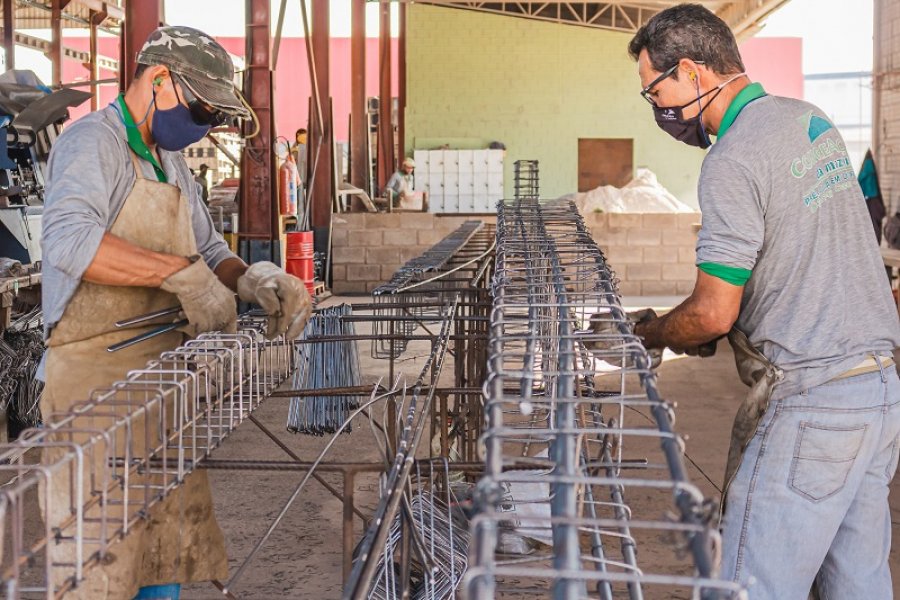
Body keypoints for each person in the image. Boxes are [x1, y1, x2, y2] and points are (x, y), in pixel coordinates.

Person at [627, 5, 900, 598]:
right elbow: (797, 260)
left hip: (814, 405)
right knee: (858, 583)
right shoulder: (810, 122)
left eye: (656, 89)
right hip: (878, 393)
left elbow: (713, 310)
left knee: (750, 585)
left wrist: (653, 333)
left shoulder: (732, 157)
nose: (658, 109)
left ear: (694, 73)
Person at [41, 25, 313, 600]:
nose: (207, 124)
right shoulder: (94, 143)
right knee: (101, 567)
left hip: (161, 386)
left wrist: (257, 280)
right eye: (203, 108)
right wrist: (175, 274)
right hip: (97, 390)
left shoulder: (169, 161)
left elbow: (209, 251)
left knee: (164, 559)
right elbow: (69, 241)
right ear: (160, 80)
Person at [858, 149, 886, 243]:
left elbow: (860, 183)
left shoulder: (865, 169)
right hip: (873, 199)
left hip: (868, 200)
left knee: (869, 223)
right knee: (875, 223)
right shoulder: (871, 168)